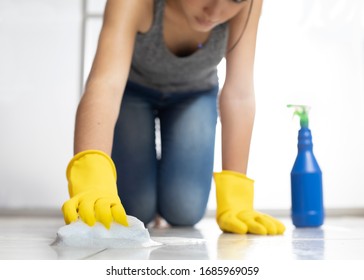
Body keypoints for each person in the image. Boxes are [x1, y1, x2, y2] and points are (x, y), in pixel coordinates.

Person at [62, 0, 285, 235]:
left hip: (194, 94)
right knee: (135, 209)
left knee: (184, 210)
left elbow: (240, 93)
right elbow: (106, 84)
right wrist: (92, 175)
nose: (216, 12)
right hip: (130, 92)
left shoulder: (248, 3)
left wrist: (237, 195)